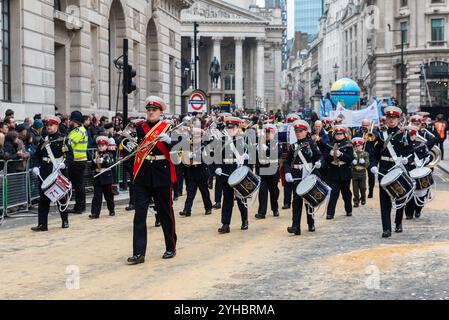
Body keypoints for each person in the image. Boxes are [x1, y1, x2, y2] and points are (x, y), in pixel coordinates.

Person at [127, 96, 177, 265]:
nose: (151, 113)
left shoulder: (168, 128)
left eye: (154, 110)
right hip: (142, 174)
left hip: (161, 172)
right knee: (139, 214)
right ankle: (138, 253)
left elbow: (180, 150)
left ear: (161, 112)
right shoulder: (139, 127)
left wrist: (170, 142)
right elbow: (130, 144)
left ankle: (171, 246)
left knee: (165, 212)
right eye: (149, 110)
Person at [369, 106, 413, 238]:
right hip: (383, 170)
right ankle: (386, 229)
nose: (391, 120)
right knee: (384, 201)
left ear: (398, 119)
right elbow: (374, 154)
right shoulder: (381, 135)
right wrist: (372, 165)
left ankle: (398, 223)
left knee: (400, 198)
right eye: (389, 118)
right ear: (386, 120)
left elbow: (411, 152)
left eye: (394, 118)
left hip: (398, 170)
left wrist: (406, 159)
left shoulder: (404, 134)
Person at [283, 120, 322, 235]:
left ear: (306, 132)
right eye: (296, 131)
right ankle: (296, 227)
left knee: (308, 201)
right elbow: (286, 162)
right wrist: (287, 172)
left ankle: (311, 223)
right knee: (296, 201)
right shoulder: (293, 146)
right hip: (296, 175)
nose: (298, 133)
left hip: (308, 174)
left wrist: (319, 162)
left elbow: (319, 156)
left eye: (300, 131)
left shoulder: (311, 144)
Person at [30, 116, 69, 231]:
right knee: (43, 199)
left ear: (56, 125)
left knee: (61, 197)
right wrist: (36, 166)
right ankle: (42, 224)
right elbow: (37, 155)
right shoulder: (43, 139)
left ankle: (65, 220)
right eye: (47, 126)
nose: (49, 127)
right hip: (45, 171)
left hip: (58, 171)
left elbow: (70, 156)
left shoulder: (63, 139)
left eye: (51, 125)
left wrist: (65, 164)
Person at [214, 117, 249, 234]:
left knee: (240, 198)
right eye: (228, 127)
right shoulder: (222, 140)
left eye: (232, 128)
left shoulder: (243, 139)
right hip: (225, 172)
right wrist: (218, 166)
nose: (230, 130)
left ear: (237, 128)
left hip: (238, 172)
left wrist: (247, 159)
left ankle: (245, 220)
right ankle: (225, 224)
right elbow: (217, 155)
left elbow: (251, 154)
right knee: (227, 198)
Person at [179, 127, 213, 217]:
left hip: (201, 171)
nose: (195, 138)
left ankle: (208, 208)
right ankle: (187, 210)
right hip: (191, 171)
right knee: (190, 193)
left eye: (197, 137)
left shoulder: (205, 145)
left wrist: (197, 155)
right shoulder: (188, 145)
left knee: (204, 192)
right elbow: (182, 156)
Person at [324, 125, 354, 219]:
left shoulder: (348, 145)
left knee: (346, 194)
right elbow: (325, 159)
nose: (338, 135)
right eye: (337, 134)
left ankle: (349, 210)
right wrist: (330, 155)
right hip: (333, 171)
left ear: (344, 134)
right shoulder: (330, 144)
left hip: (345, 171)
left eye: (340, 134)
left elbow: (350, 159)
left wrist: (341, 155)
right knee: (333, 193)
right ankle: (330, 213)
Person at [255, 124, 281, 219]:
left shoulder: (276, 143)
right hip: (263, 171)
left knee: (273, 192)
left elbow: (278, 154)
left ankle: (275, 209)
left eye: (269, 133)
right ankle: (262, 212)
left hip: (273, 171)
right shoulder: (260, 144)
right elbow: (257, 159)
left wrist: (268, 150)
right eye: (266, 132)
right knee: (262, 192)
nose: (267, 134)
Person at [66, 111, 89, 214]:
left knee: (78, 185)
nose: (69, 122)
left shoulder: (78, 132)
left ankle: (79, 207)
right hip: (79, 161)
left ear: (74, 121)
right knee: (79, 185)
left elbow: (68, 145)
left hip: (76, 162)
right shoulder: (79, 130)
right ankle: (80, 206)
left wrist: (63, 146)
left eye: (70, 120)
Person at [89, 136, 115, 219]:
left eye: (103, 145)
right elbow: (92, 167)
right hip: (98, 177)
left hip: (106, 177)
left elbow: (110, 164)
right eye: (99, 145)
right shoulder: (95, 154)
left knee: (108, 196)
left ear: (106, 146)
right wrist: (94, 163)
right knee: (97, 196)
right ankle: (95, 213)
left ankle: (111, 210)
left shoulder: (109, 154)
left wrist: (102, 162)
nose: (100, 147)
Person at [351, 137, 369, 208]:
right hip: (354, 173)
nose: (357, 147)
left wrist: (364, 162)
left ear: (362, 146)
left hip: (362, 174)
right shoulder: (353, 154)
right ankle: (356, 201)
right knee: (355, 189)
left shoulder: (365, 154)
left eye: (359, 145)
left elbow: (368, 164)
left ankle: (363, 197)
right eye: (355, 146)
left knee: (363, 187)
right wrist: (352, 163)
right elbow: (349, 163)